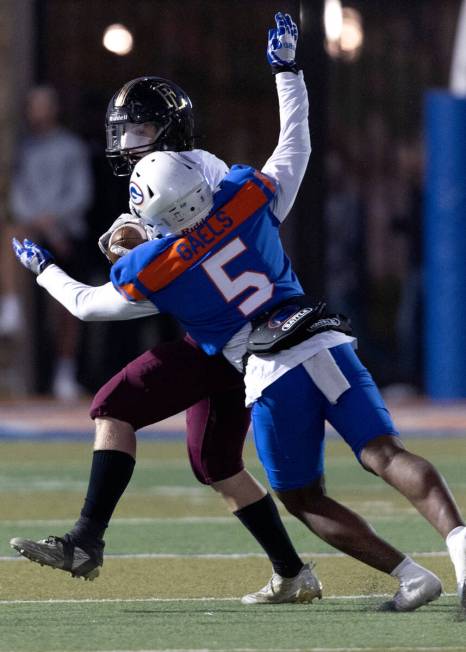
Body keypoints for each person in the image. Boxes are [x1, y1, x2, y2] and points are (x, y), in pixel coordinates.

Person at [11, 13, 465, 612]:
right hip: (316, 332)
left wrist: (45, 268)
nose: (128, 142)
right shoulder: (246, 201)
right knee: (379, 454)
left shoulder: (157, 269)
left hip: (261, 365)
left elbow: (89, 304)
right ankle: (448, 552)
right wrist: (286, 71)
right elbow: (293, 143)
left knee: (299, 493)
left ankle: (402, 574)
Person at [8, 85, 93, 398]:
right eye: (33, 106)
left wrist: (55, 226)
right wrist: (40, 223)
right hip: (35, 233)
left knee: (66, 310)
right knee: (11, 233)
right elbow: (18, 195)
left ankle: (64, 374)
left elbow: (81, 194)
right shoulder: (24, 148)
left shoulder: (71, 147)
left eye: (42, 106)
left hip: (67, 234)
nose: (37, 112)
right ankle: (10, 305)